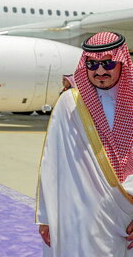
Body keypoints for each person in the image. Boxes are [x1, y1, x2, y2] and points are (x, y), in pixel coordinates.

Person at [36, 32, 133, 256]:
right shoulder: (68, 103)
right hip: (80, 215)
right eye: (92, 64)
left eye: (107, 63)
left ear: (121, 62)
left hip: (127, 213)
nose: (100, 71)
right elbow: (52, 161)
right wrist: (47, 216)